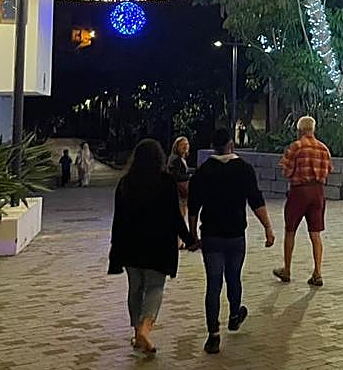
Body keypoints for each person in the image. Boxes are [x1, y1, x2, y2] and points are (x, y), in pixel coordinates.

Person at [188, 127, 275, 355]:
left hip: (211, 235)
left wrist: (192, 235)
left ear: (213, 146)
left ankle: (213, 335)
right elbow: (256, 200)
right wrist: (268, 228)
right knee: (234, 278)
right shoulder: (244, 169)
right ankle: (235, 315)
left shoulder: (203, 171)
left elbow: (193, 206)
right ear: (231, 144)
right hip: (236, 234)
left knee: (213, 284)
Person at [108, 139, 197, 355]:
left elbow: (118, 220)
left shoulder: (125, 183)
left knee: (135, 288)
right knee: (155, 287)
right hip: (158, 246)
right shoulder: (166, 182)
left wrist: (115, 249)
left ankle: (137, 331)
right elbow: (175, 217)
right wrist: (190, 238)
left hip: (130, 246)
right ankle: (146, 329)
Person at [274, 116, 333, 286]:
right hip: (318, 193)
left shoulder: (296, 147)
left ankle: (287, 269)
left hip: (299, 192)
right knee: (315, 233)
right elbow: (328, 170)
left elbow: (286, 171)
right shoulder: (323, 148)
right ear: (313, 129)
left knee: (290, 229)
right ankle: (317, 272)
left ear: (299, 130)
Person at [167, 137, 192, 217]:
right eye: (182, 145)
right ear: (176, 146)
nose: (185, 146)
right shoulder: (175, 159)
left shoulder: (180, 157)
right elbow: (177, 176)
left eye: (187, 144)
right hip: (179, 190)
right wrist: (190, 176)